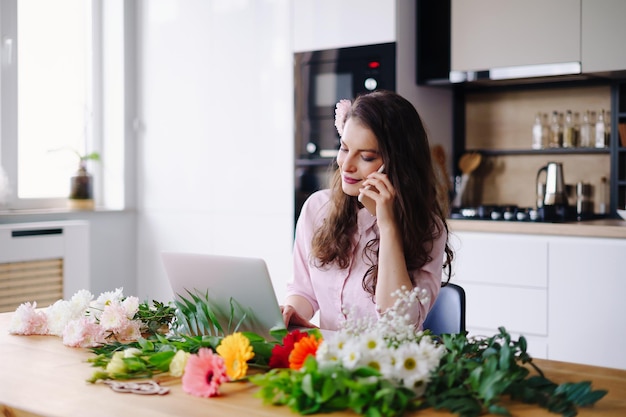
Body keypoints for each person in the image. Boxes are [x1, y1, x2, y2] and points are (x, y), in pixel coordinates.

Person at [282, 90, 454, 331]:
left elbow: (400, 325)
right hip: (328, 361)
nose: (347, 165)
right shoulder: (317, 208)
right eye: (344, 148)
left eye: (366, 157)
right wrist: (291, 311)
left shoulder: (427, 229)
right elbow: (303, 291)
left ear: (396, 165)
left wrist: (388, 225)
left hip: (386, 364)